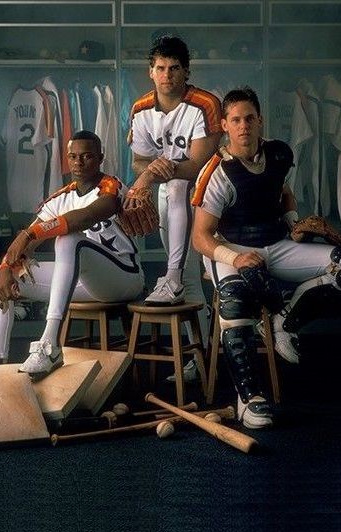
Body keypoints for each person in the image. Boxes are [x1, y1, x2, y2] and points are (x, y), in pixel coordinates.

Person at [191, 87, 341, 429]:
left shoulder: (279, 155)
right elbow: (201, 237)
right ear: (225, 125)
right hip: (230, 248)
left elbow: (282, 191)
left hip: (276, 242)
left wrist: (294, 225)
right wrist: (235, 259)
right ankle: (249, 398)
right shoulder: (217, 173)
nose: (244, 126)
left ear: (260, 121)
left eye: (250, 119)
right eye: (236, 120)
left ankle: (284, 322)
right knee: (235, 298)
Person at [0, 130, 145, 379]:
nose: (78, 163)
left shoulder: (112, 187)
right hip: (79, 283)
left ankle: (49, 345)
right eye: (73, 156)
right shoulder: (61, 197)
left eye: (87, 156)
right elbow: (23, 245)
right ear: (67, 159)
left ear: (100, 158)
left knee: (70, 238)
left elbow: (86, 216)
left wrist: (30, 234)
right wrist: (7, 267)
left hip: (123, 277)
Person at [126, 35, 222, 382]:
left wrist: (152, 172)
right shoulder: (139, 108)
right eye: (161, 68)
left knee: (178, 184)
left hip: (211, 197)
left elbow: (196, 165)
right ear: (150, 72)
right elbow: (138, 160)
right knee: (191, 281)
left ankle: (173, 277)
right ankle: (201, 357)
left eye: (175, 68)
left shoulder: (205, 103)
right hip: (171, 198)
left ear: (186, 71)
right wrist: (150, 171)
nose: (167, 75)